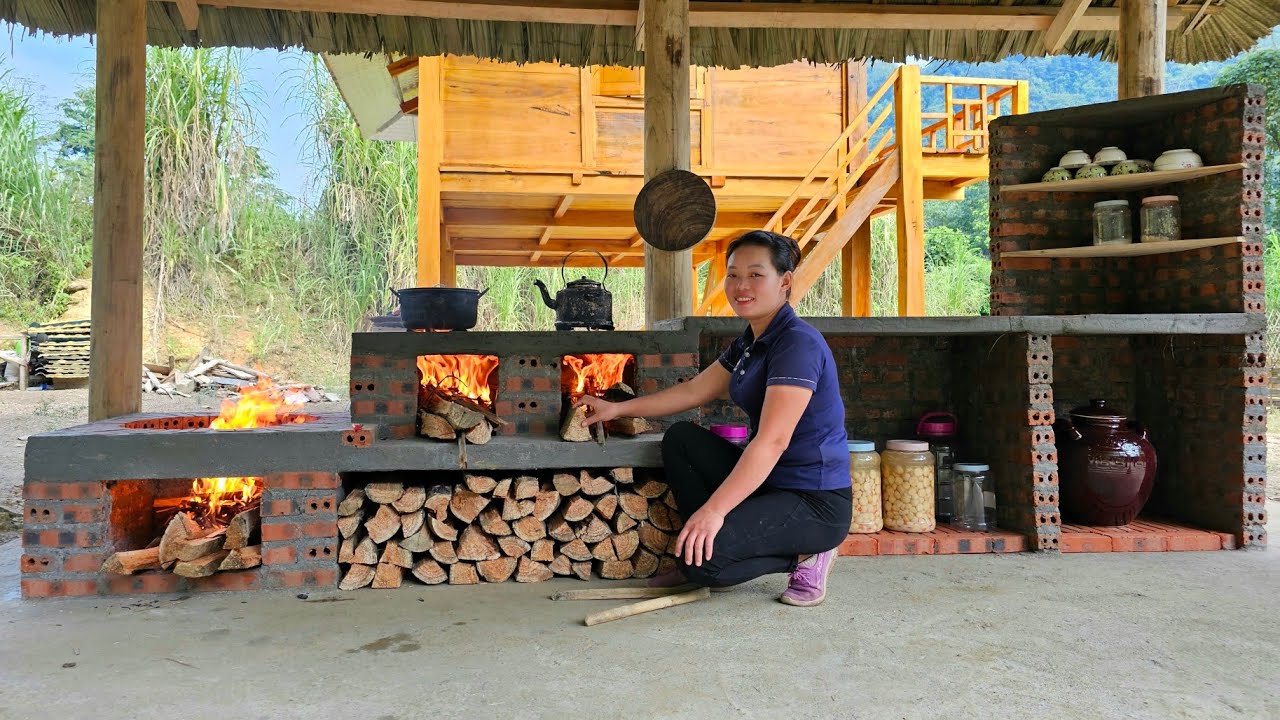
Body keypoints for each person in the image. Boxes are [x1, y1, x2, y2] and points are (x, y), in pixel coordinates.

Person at [577, 230, 851, 606]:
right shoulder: (750, 342)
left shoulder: (796, 344)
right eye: (734, 274)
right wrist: (618, 409)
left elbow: (772, 441)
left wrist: (714, 510)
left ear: (784, 281)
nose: (741, 286)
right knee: (682, 439)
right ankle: (700, 544)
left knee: (706, 571)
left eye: (756, 275)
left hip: (814, 500)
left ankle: (807, 554)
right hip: (769, 483)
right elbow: (694, 391)